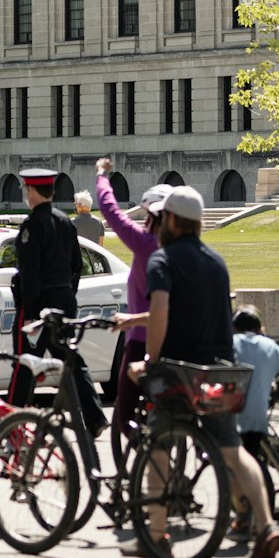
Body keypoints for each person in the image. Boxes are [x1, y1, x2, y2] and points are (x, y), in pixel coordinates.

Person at [135, 185, 279, 558]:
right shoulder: (217, 263)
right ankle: (266, 526)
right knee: (233, 452)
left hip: (178, 374)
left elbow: (160, 312)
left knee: (159, 448)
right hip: (218, 372)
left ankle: (157, 536)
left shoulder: (162, 260)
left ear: (169, 220)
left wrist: (150, 360)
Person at [8, 167, 106, 439]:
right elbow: (77, 264)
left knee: (25, 363)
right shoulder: (65, 222)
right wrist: (67, 294)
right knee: (70, 359)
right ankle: (95, 416)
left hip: (38, 304)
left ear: (30, 191)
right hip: (63, 300)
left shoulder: (32, 225)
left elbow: (29, 271)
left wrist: (28, 311)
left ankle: (12, 421)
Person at [97, 161, 170, 448]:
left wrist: (102, 175)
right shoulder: (181, 248)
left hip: (141, 337)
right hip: (176, 338)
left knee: (124, 412)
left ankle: (146, 456)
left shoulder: (144, 242)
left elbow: (110, 210)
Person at [230, 303, 279, 532]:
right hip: (258, 419)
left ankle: (247, 517)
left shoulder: (232, 344)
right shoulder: (268, 345)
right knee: (252, 458)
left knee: (235, 464)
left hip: (236, 418)